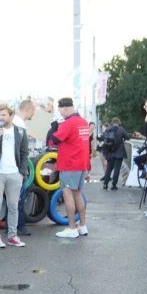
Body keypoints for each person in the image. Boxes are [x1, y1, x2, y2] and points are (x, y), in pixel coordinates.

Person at [0, 103, 29, 248]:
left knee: (13, 206)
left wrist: (22, 172)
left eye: (4, 115)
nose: (1, 117)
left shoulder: (20, 131)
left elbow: (24, 153)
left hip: (14, 173)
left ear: (11, 116)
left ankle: (12, 236)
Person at [50, 98, 90, 238]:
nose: (60, 114)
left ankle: (72, 228)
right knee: (78, 194)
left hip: (69, 164)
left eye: (60, 111)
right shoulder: (83, 122)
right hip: (82, 163)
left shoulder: (69, 123)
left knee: (68, 195)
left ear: (65, 108)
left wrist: (54, 127)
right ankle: (82, 226)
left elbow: (53, 140)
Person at [9, 99, 36, 236]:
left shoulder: (14, 122)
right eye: (34, 111)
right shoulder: (20, 125)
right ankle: (19, 226)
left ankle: (12, 226)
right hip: (17, 168)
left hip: (10, 167)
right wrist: (23, 167)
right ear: (28, 109)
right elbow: (21, 149)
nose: (34, 114)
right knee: (19, 198)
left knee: (14, 198)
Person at [101, 118, 129, 190]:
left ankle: (105, 184)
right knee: (117, 169)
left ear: (112, 123)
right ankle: (114, 185)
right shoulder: (121, 129)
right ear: (119, 123)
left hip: (110, 152)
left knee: (109, 169)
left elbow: (105, 140)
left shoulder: (107, 130)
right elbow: (128, 137)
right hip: (119, 153)